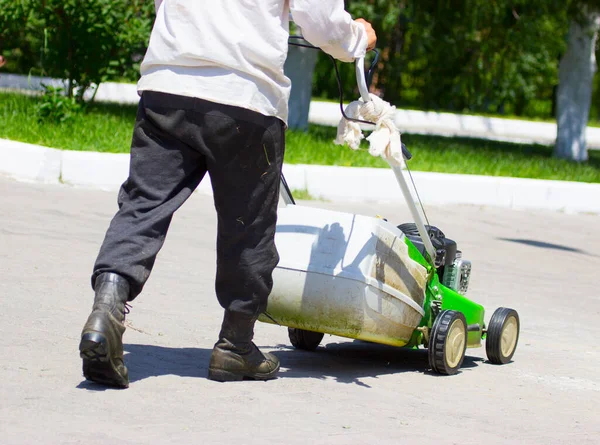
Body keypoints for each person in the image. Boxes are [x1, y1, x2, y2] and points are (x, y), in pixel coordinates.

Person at [78, 0, 377, 388]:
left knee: (143, 206)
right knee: (248, 227)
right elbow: (319, 19)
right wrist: (357, 38)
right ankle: (235, 347)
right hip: (244, 96)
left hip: (167, 85)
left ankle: (106, 309)